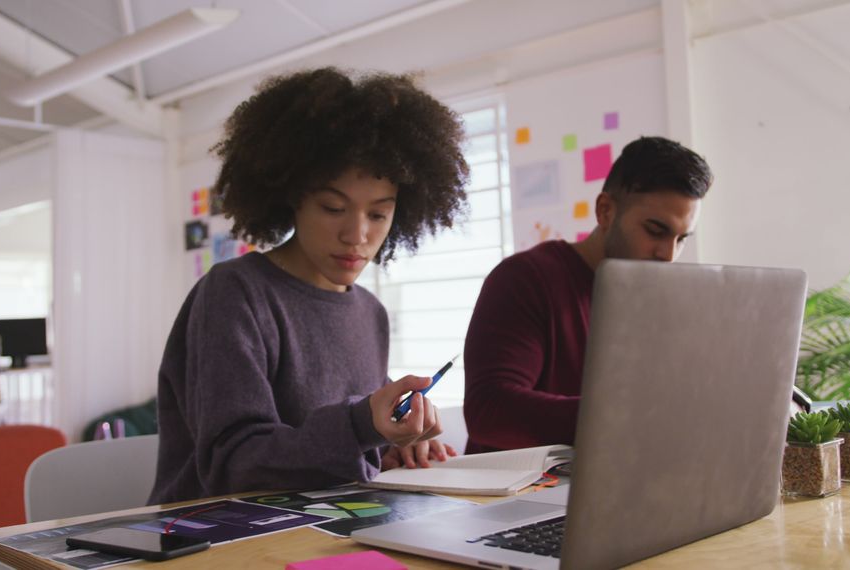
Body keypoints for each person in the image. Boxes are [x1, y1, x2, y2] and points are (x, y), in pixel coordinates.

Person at [149, 68, 469, 504]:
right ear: (291, 195)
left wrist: (394, 443)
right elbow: (234, 466)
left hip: (327, 528)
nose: (356, 234)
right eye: (333, 207)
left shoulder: (369, 311)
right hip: (213, 539)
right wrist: (361, 426)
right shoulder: (234, 294)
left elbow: (336, 449)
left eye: (378, 214)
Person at [463, 136, 713, 453]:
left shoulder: (657, 300)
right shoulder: (524, 279)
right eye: (655, 231)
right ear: (605, 211)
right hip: (519, 495)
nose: (668, 254)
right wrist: (624, 415)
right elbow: (489, 411)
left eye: (681, 239)